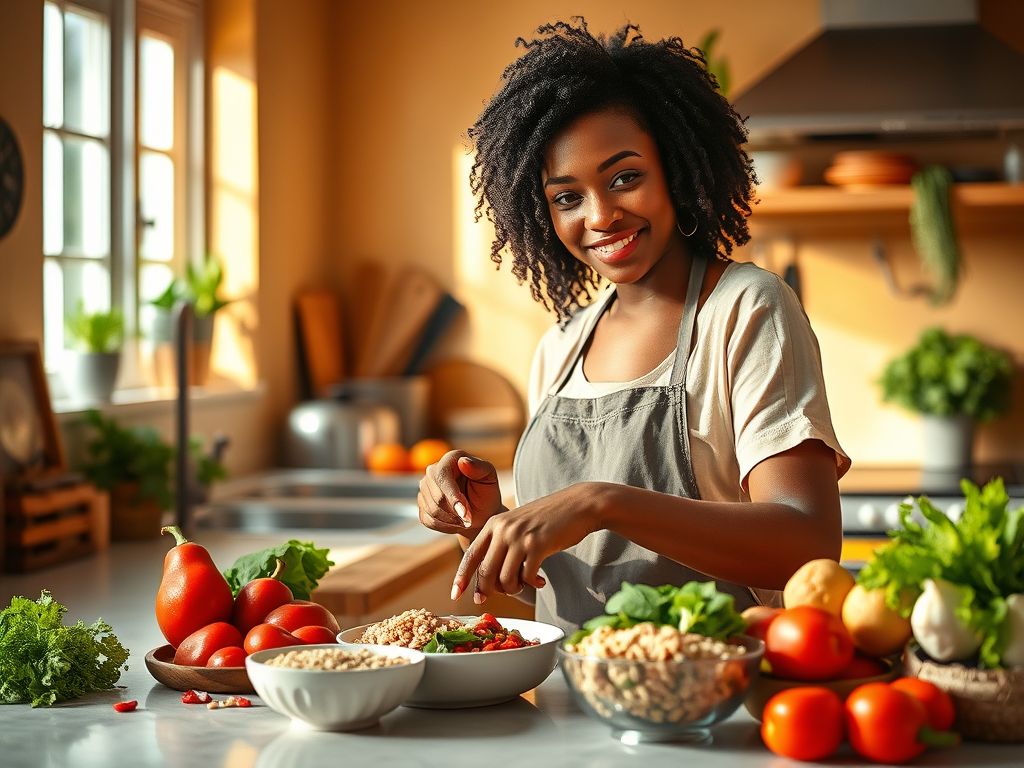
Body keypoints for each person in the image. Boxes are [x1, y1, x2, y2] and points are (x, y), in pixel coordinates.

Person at [417, 18, 850, 634]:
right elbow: (556, 596)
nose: (600, 215)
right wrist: (485, 526)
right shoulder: (561, 347)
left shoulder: (746, 310)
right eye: (567, 196)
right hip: (569, 710)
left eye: (625, 178)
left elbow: (807, 544)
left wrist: (601, 503)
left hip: (709, 704)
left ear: (675, 168)